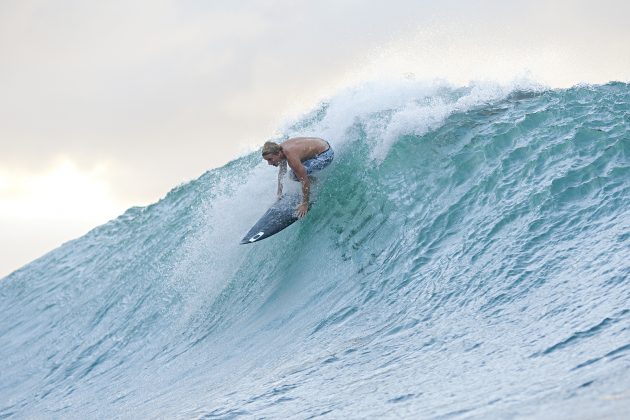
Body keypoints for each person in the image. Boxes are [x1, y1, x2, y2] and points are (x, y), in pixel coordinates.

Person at [262, 137, 334, 218]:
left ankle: (315, 183)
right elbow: (282, 171)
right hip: (323, 146)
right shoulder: (279, 150)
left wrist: (305, 203)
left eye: (270, 159)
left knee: (295, 175)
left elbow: (304, 181)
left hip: (326, 155)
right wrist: (279, 192)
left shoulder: (291, 157)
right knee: (294, 173)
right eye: (267, 160)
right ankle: (313, 182)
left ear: (278, 154)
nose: (269, 163)